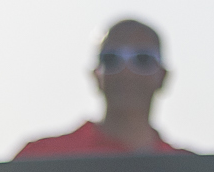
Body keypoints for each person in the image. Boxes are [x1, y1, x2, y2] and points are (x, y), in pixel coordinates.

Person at [13, 19, 192, 159]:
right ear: (95, 75)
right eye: (111, 59)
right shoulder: (41, 158)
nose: (126, 72)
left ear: (163, 76)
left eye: (142, 59)